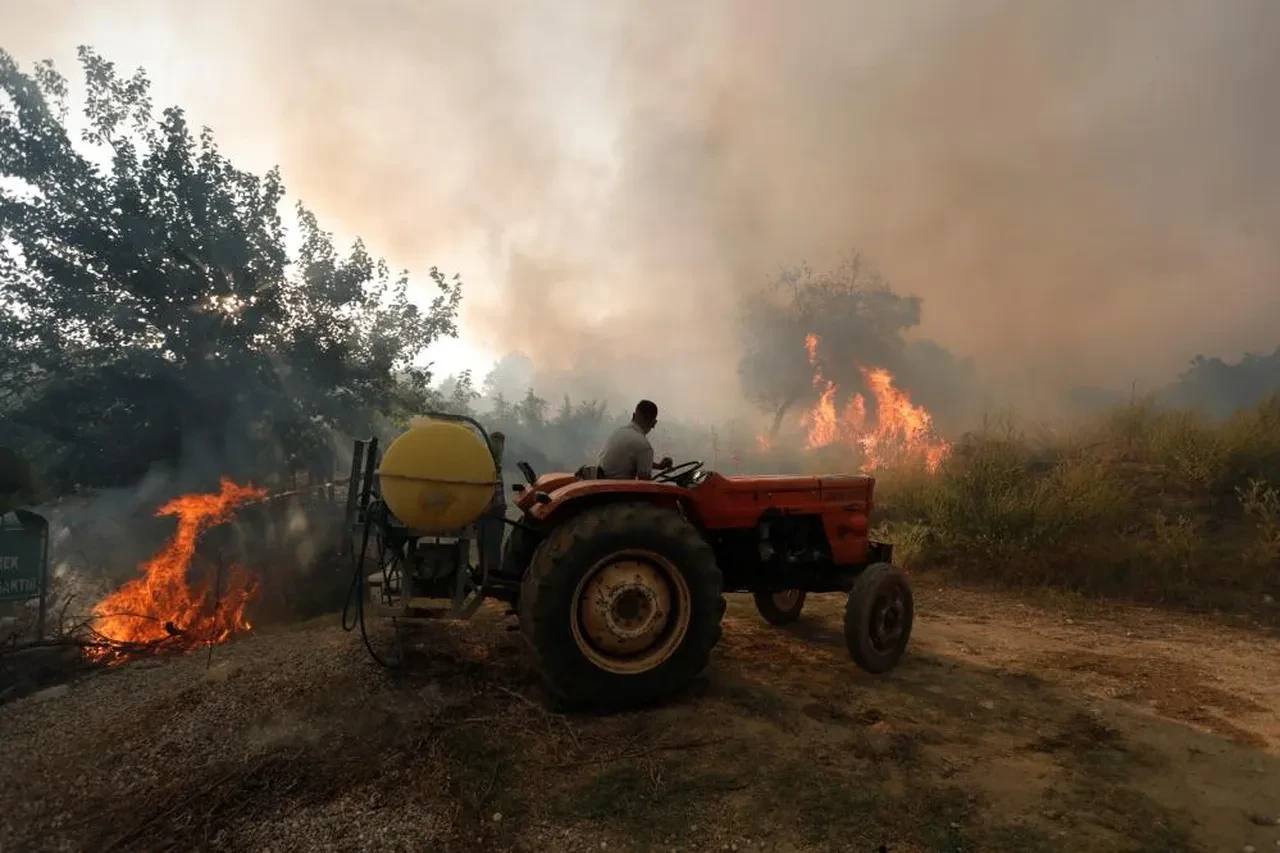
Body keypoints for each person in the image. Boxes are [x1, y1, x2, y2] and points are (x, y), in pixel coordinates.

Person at [596, 400, 674, 480]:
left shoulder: (618, 432)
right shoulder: (644, 446)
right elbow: (645, 484)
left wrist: (658, 466)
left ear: (633, 416)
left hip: (601, 485)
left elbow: (628, 460)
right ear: (654, 423)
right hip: (618, 490)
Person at [478, 431, 507, 574]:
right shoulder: (486, 461)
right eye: (496, 442)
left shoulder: (495, 462)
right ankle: (488, 576)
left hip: (495, 510)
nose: (499, 446)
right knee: (488, 547)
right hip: (489, 510)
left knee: (491, 547)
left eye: (501, 443)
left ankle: (490, 576)